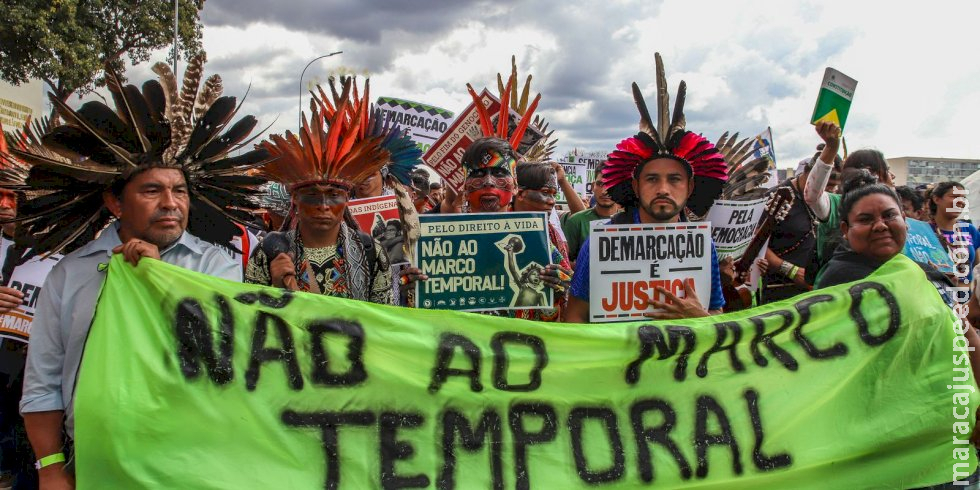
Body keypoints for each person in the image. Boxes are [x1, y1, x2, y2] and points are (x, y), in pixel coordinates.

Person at [16, 58, 269, 488]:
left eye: (180, 191)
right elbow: (43, 382)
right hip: (97, 465)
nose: (170, 202)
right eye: (152, 190)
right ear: (116, 203)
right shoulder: (69, 275)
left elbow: (229, 358)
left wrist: (158, 282)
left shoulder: (220, 267)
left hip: (198, 465)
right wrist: (52, 468)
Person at [565, 53, 727, 322]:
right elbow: (574, 319)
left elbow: (716, 311)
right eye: (652, 179)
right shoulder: (600, 243)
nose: (663, 188)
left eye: (674, 179)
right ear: (635, 186)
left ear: (690, 187)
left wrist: (699, 317)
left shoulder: (703, 245)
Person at [249, 78, 393, 304]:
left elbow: (387, 322)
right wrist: (277, 290)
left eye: (334, 195)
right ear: (294, 198)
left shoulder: (370, 253)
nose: (324, 205)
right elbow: (250, 321)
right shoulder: (267, 253)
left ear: (347, 198)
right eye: (313, 195)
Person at [561, 161, 620, 266]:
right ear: (593, 186)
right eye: (600, 184)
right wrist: (589, 268)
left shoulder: (631, 221)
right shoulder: (575, 221)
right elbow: (563, 262)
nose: (605, 191)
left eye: (611, 184)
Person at [928, 181, 980, 287]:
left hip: (966, 298)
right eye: (954, 196)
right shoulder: (924, 230)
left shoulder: (969, 230)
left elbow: (977, 269)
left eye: (963, 198)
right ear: (936, 199)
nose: (961, 201)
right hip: (937, 296)